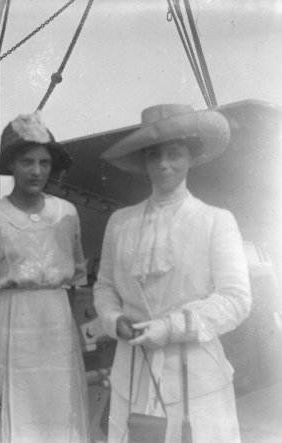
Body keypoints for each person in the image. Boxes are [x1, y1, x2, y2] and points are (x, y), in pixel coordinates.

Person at [93, 104, 251, 442]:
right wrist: (114, 319)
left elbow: (236, 299)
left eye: (174, 153)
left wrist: (170, 327)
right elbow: (105, 287)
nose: (164, 164)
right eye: (155, 155)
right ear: (145, 161)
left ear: (191, 158)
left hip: (196, 380)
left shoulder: (215, 220)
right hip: (133, 373)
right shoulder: (121, 222)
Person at [0, 112, 90, 442]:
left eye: (44, 162)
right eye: (27, 161)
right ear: (11, 165)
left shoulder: (66, 214)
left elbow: (74, 285)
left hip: (59, 338)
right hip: (13, 334)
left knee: (61, 422)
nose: (37, 171)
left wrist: (77, 348)